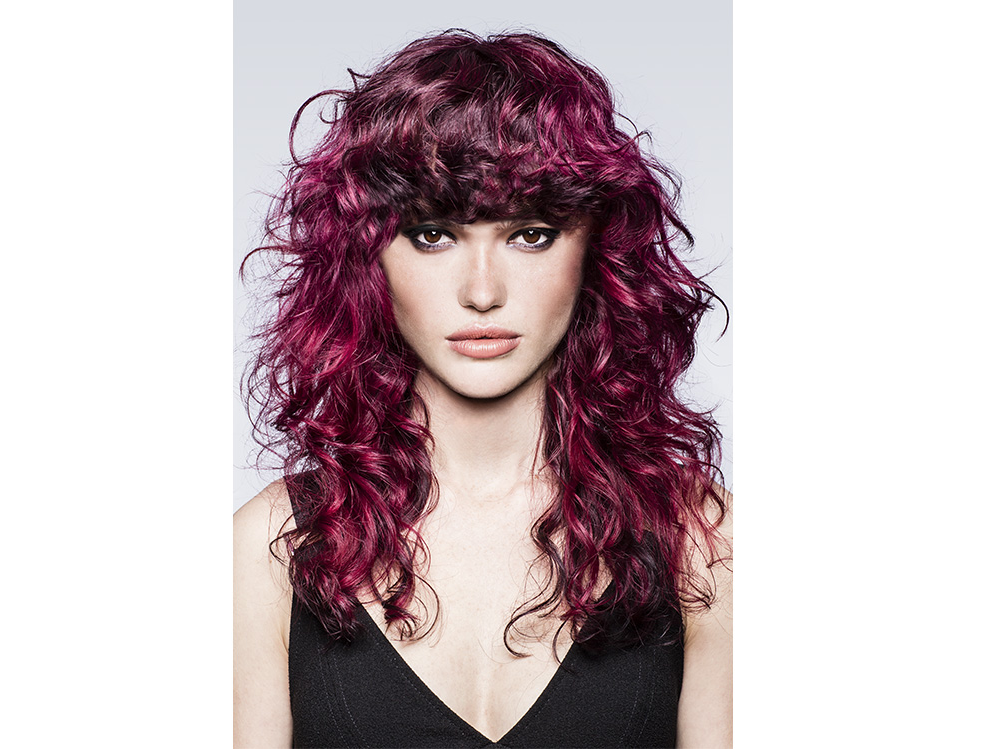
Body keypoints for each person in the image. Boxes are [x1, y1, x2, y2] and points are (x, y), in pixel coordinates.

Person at [234, 29, 732, 748]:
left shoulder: (704, 539)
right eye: (432, 234)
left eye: (531, 234)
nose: (482, 291)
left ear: (596, 248)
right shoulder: (268, 548)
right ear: (367, 256)